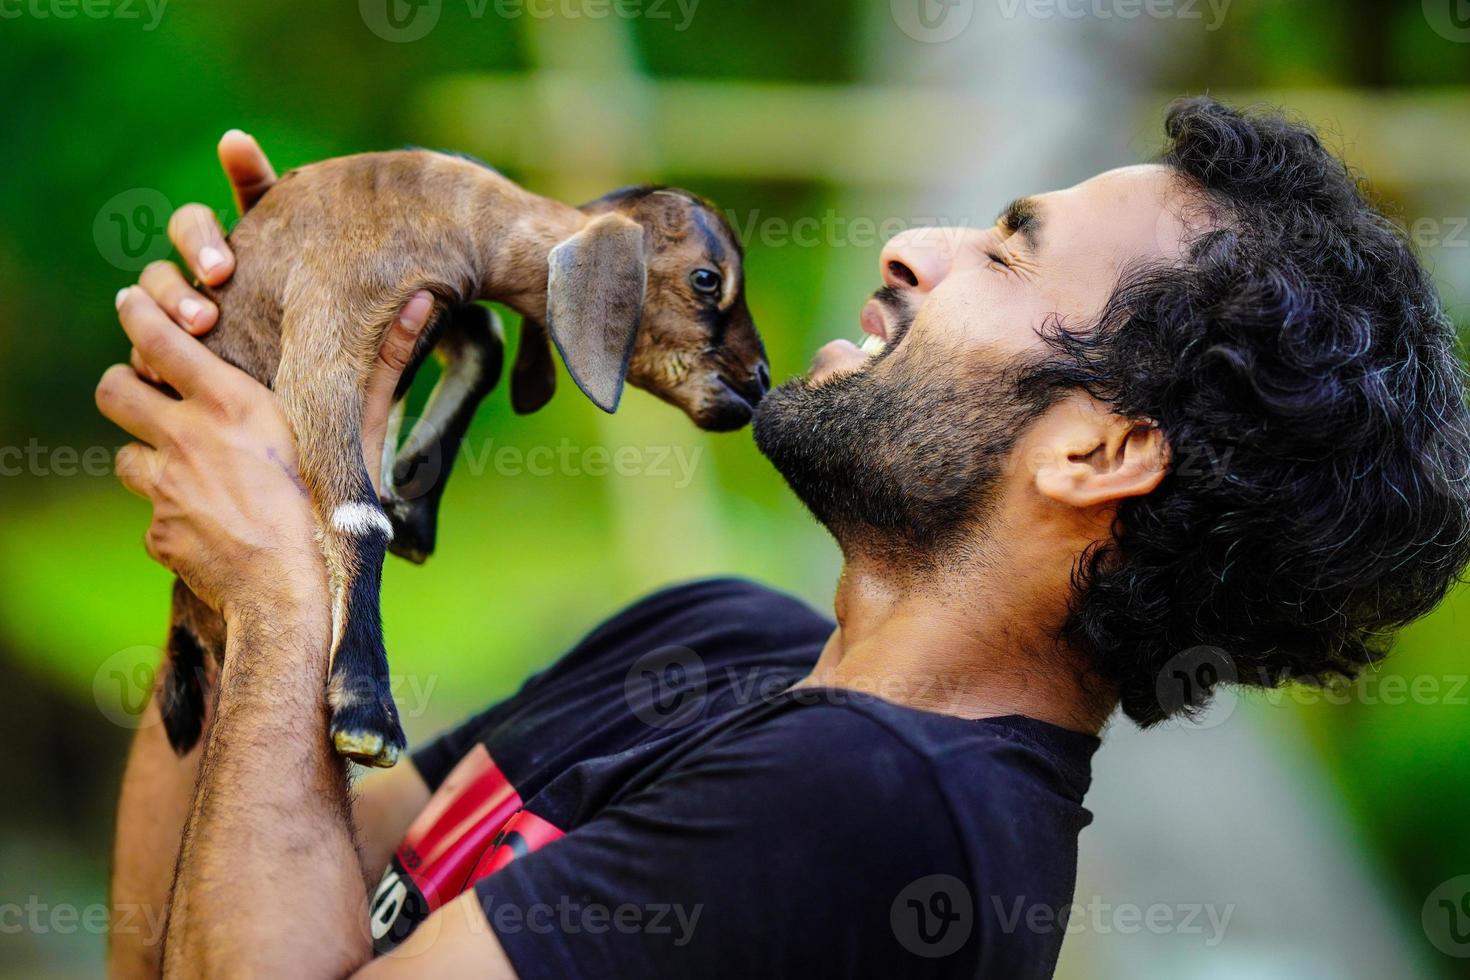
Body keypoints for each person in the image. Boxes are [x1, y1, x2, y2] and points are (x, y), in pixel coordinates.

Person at [99, 99, 1470, 978]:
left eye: (1001, 252)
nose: (912, 247)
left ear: (1098, 453)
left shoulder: (884, 821)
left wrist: (285, 592)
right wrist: (270, 424)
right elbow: (191, 932)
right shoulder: (720, 641)